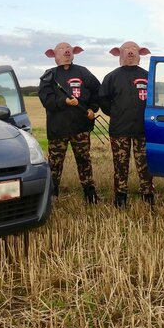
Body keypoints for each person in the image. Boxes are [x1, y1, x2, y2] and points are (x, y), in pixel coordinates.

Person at [38, 42, 101, 204]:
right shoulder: (48, 75)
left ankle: (90, 194)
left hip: (80, 128)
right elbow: (46, 99)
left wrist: (93, 109)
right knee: (55, 163)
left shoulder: (83, 72)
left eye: (69, 49)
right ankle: (52, 194)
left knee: (84, 160)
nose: (66, 51)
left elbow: (97, 91)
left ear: (75, 53)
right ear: (53, 54)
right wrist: (64, 100)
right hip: (58, 129)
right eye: (61, 49)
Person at [99, 41, 155, 208]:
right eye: (126, 49)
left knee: (144, 164)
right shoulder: (111, 77)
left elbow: (154, 99)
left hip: (143, 129)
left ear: (141, 53)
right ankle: (120, 195)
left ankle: (147, 193)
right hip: (119, 130)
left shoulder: (148, 76)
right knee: (120, 164)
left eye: (134, 49)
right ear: (119, 53)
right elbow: (103, 100)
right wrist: (117, 114)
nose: (130, 52)